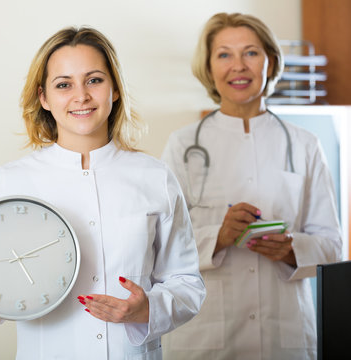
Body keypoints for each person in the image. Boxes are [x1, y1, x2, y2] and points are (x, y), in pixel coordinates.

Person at [0, 26, 205, 360]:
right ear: (44, 97)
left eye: (94, 80)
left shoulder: (155, 177)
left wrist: (146, 309)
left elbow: (188, 283)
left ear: (115, 89)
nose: (81, 96)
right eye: (64, 84)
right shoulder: (13, 180)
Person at [161, 12, 342, 360]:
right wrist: (220, 236)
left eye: (251, 53)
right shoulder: (183, 146)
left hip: (284, 334)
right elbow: (161, 247)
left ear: (270, 62)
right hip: (207, 337)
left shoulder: (304, 145)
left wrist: (292, 250)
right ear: (209, 67)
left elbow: (332, 248)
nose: (238, 66)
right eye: (224, 54)